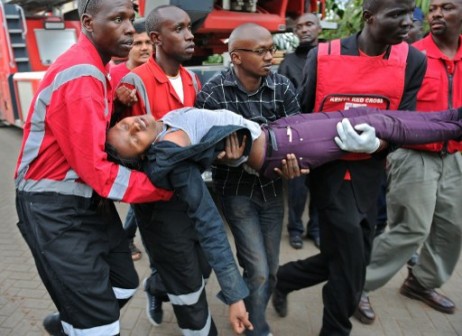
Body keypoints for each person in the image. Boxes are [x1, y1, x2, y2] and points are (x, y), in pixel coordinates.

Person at [13, 1, 173, 335]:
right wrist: (163, 189)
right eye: (118, 20)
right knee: (100, 324)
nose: (130, 29)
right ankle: (84, 324)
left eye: (131, 19)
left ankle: (72, 324)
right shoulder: (82, 75)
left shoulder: (96, 69)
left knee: (124, 284)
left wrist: (116, 101)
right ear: (87, 23)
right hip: (54, 208)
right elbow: (98, 172)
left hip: (83, 201)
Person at [274, 0, 427, 335]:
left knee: (350, 257)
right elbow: (303, 114)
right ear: (369, 17)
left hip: (371, 175)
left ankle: (283, 279)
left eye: (410, 13)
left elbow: (406, 122)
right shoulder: (323, 55)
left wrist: (380, 144)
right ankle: (335, 329)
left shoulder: (413, 60)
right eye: (397, 14)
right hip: (329, 173)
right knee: (349, 261)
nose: (408, 21)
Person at [116, 5, 253, 335]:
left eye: (189, 27)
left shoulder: (191, 79)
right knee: (188, 282)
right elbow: (119, 146)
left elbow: (198, 140)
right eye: (179, 29)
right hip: (159, 206)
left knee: (203, 268)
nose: (190, 35)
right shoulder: (134, 83)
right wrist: (119, 105)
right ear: (156, 38)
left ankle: (156, 286)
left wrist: (225, 155)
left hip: (194, 193)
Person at [195, 23, 303, 336]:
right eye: (261, 51)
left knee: (269, 271)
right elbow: (199, 149)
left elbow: (297, 136)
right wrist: (221, 156)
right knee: (257, 271)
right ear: (237, 58)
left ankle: (244, 305)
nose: (271, 56)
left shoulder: (282, 87)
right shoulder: (213, 93)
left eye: (272, 49)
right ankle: (256, 327)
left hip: (272, 190)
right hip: (236, 192)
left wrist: (294, 163)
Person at [357, 0, 462, 323]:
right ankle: (357, 284)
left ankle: (422, 282)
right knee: (410, 229)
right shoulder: (411, 55)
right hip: (415, 155)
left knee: (452, 227)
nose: (436, 14)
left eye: (447, 7)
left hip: (455, 155)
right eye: (433, 9)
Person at [109, 18, 154, 262]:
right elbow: (102, 117)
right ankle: (125, 240)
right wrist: (117, 102)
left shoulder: (157, 72)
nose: (145, 47)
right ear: (128, 46)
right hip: (129, 155)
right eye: (138, 43)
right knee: (139, 201)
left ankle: (126, 238)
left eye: (148, 42)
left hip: (154, 150)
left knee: (143, 202)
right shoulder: (114, 75)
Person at [278, 12, 322, 249]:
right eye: (299, 26)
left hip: (325, 132)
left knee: (320, 185)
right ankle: (295, 229)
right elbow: (282, 100)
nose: (304, 29)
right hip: (298, 135)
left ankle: (315, 228)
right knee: (297, 186)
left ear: (319, 29)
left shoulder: (328, 57)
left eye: (309, 25)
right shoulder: (288, 63)